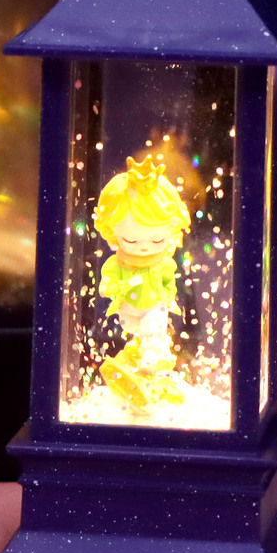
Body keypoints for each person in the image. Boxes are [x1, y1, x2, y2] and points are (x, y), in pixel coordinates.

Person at [93, 152, 191, 411]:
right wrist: (120, 287)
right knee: (135, 335)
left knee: (154, 328)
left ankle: (151, 365)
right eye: (131, 240)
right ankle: (136, 369)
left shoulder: (164, 263)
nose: (144, 247)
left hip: (154, 307)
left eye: (157, 240)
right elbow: (105, 286)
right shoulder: (117, 264)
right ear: (112, 233)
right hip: (127, 311)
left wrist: (167, 298)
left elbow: (169, 284)